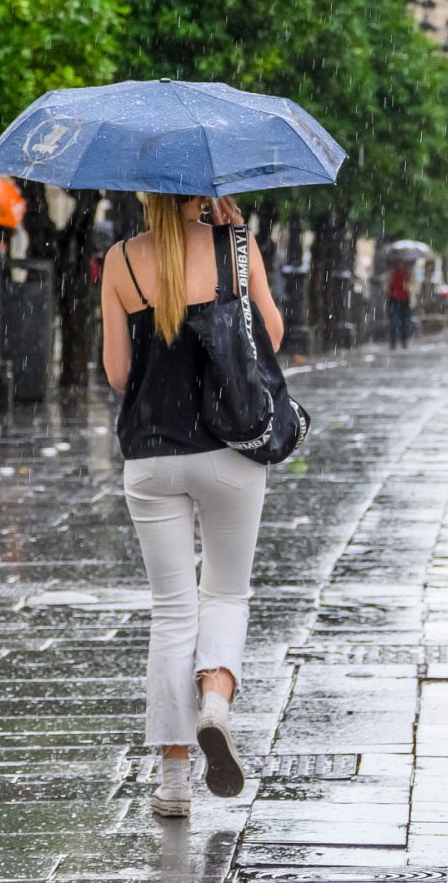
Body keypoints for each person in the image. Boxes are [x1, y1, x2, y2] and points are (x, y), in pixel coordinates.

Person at [101, 193, 282, 817]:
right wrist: (233, 261)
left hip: (152, 454)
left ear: (145, 194)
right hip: (231, 448)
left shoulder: (120, 260)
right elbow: (272, 337)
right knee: (226, 593)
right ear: (205, 189)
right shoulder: (236, 247)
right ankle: (216, 701)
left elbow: (119, 374)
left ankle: (173, 783)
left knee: (172, 612)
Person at [386, 259, 414, 349]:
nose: (400, 264)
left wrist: (408, 284)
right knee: (394, 323)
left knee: (404, 323)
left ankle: (404, 341)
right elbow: (387, 286)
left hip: (405, 300)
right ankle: (393, 342)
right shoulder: (391, 273)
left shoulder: (409, 273)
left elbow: (413, 287)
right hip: (394, 300)